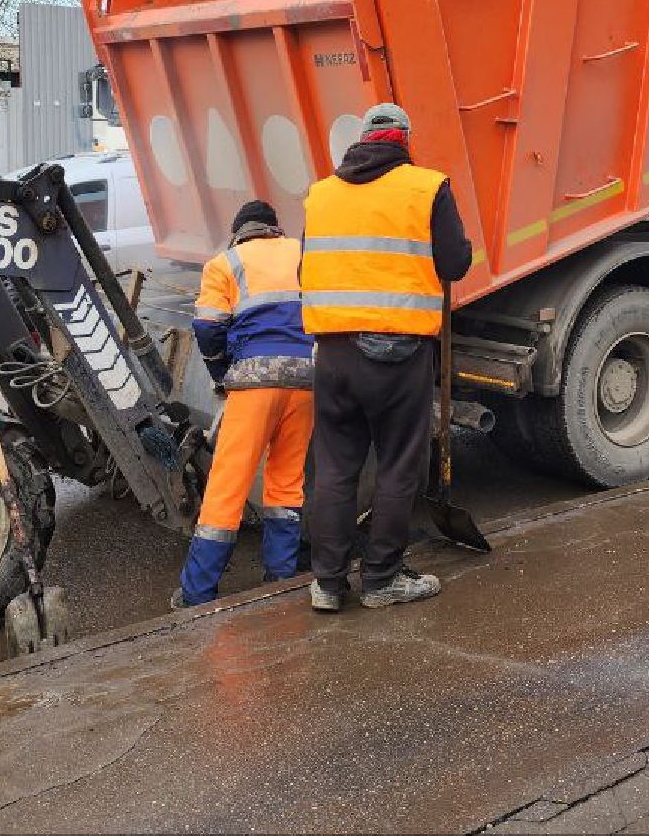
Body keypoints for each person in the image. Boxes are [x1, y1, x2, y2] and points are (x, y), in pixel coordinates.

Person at [301, 102, 472, 612]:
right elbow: (456, 263)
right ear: (405, 140)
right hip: (397, 356)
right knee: (399, 466)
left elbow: (307, 269)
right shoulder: (426, 187)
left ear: (361, 140)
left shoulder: (321, 195)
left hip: (333, 354)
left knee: (334, 469)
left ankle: (327, 584)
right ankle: (381, 579)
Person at [173, 199, 316, 609]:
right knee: (287, 483)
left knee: (227, 486)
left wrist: (220, 372)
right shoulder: (301, 252)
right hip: (307, 380)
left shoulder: (224, 263)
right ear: (275, 229)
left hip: (254, 384)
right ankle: (281, 578)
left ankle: (197, 593)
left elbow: (207, 326)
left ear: (238, 232)